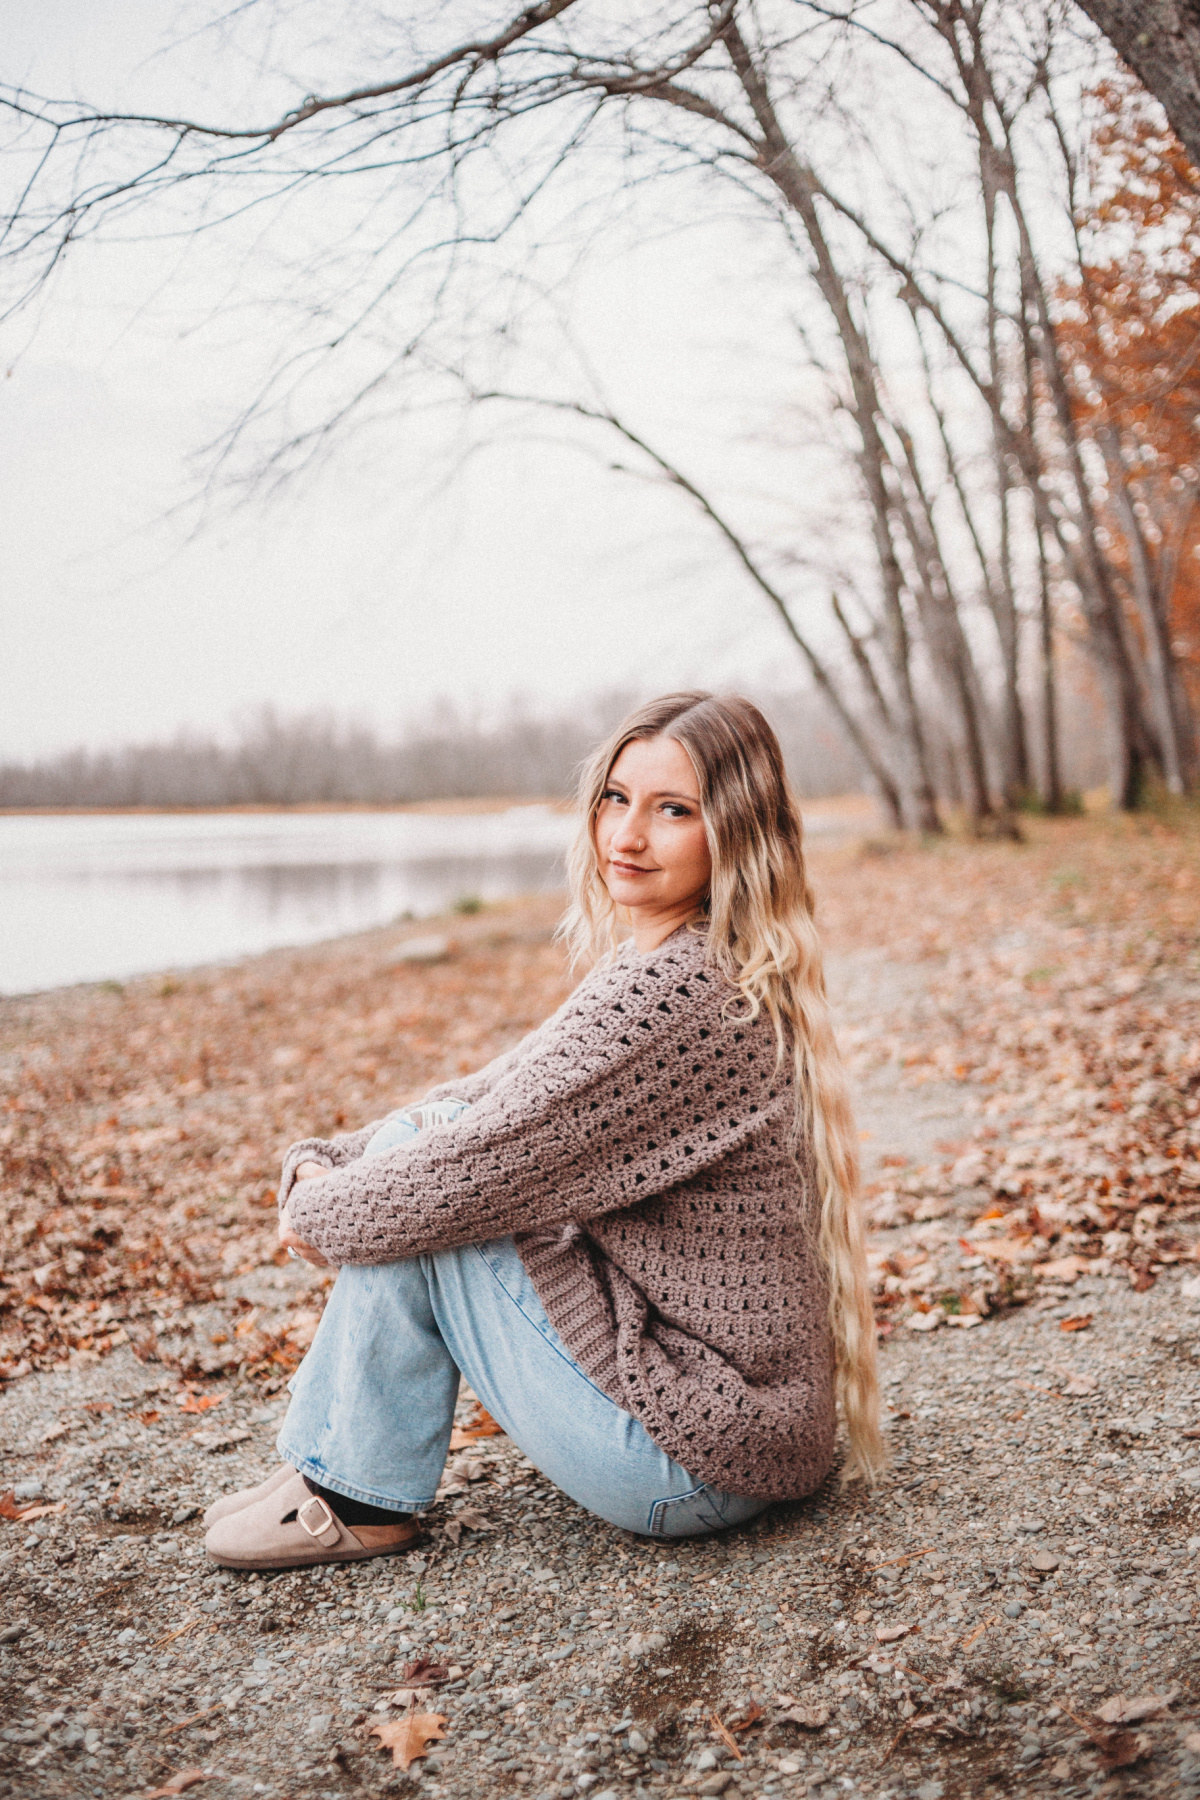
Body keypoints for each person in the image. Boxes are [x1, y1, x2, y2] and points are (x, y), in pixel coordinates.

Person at [203, 693, 883, 1570]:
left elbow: (471, 1168)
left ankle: (351, 1492)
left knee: (441, 1191)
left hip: (696, 1462)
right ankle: (328, 1462)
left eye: (672, 811)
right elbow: (496, 1096)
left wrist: (318, 1212)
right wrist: (326, 1162)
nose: (627, 836)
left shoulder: (677, 995)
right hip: (724, 1432)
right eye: (616, 798)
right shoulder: (682, 959)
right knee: (440, 1150)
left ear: (735, 834)